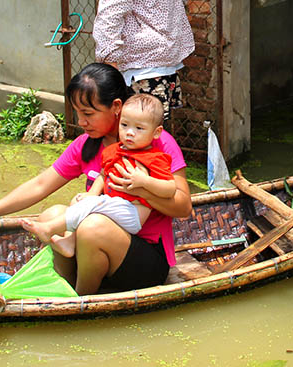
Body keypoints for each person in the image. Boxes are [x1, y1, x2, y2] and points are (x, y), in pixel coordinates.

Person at [0, 63, 192, 295]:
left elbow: (183, 206)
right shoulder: (86, 146)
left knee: (92, 226)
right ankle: (66, 286)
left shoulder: (157, 145)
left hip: (144, 260)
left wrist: (140, 188)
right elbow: (40, 185)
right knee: (52, 215)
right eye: (78, 113)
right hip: (93, 255)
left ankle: (81, 297)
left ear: (116, 106)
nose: (81, 122)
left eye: (88, 113)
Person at [20, 93, 176, 258]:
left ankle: (50, 229)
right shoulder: (113, 151)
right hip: (113, 206)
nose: (130, 133)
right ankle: (70, 241)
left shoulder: (156, 158)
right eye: (124, 125)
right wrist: (91, 193)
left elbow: (170, 189)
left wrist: (145, 182)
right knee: (78, 201)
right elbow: (102, 175)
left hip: (133, 214)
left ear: (157, 132)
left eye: (139, 128)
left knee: (94, 205)